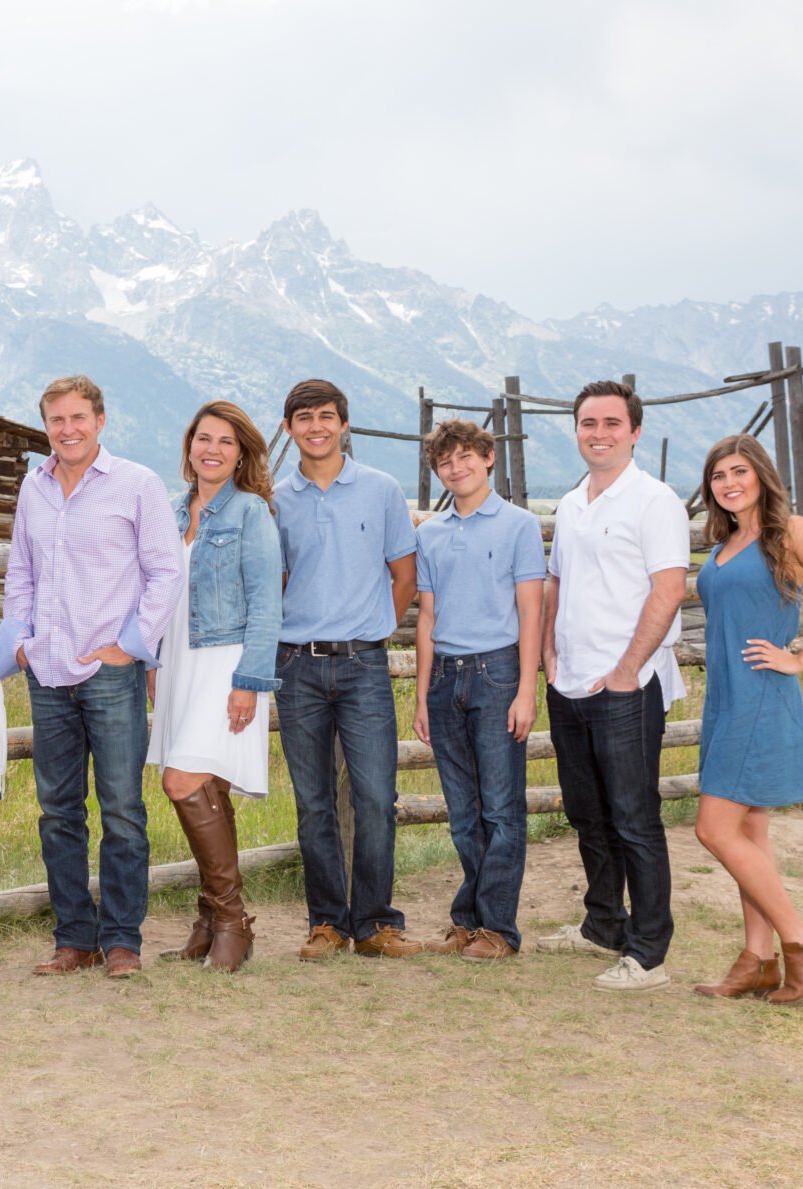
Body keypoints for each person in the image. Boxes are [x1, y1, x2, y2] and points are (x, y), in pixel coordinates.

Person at [0, 374, 181, 980]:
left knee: (123, 808)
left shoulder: (137, 484)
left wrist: (130, 647)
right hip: (47, 671)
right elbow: (20, 569)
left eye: (79, 417)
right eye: (57, 420)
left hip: (109, 671)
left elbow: (164, 571)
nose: (68, 429)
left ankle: (122, 938)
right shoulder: (34, 487)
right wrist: (19, 641)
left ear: (100, 420)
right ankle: (73, 937)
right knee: (58, 811)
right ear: (45, 425)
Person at [692, 433, 803, 1003]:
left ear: (761, 476)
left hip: (762, 695)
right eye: (719, 476)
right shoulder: (727, 541)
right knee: (749, 832)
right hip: (725, 699)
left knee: (713, 829)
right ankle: (757, 960)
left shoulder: (790, 533)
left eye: (739, 472)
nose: (729, 484)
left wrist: (801, 658)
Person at [537, 379, 690, 992]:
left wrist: (629, 669)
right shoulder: (574, 502)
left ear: (634, 431)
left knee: (633, 816)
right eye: (587, 424)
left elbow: (669, 589)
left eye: (609, 423)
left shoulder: (654, 501)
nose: (597, 434)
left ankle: (649, 952)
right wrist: (549, 650)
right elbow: (556, 582)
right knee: (587, 813)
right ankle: (603, 923)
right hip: (570, 680)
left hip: (626, 684)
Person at [272, 379, 421, 961]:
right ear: (289, 428)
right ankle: (327, 923)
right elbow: (276, 582)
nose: (316, 426)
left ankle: (377, 923)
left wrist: (375, 628)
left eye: (327, 416)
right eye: (304, 418)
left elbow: (403, 575)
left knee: (376, 796)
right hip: (297, 666)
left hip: (363, 664)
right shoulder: (276, 500)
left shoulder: (381, 490)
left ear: (344, 424)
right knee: (313, 803)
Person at [147, 401, 281, 973]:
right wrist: (152, 662)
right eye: (204, 438)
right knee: (207, 788)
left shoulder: (251, 512)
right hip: (178, 660)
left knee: (183, 779)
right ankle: (211, 919)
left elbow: (267, 604)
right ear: (189, 445)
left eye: (226, 442)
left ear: (242, 452)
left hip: (225, 660)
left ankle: (231, 920)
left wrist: (248, 681)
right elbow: (155, 592)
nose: (213, 450)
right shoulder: (173, 510)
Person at [410, 419, 546, 962]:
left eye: (465, 456)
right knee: (463, 811)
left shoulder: (518, 525)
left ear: (488, 457)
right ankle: (468, 921)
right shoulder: (430, 534)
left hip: (497, 673)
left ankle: (499, 929)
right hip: (444, 676)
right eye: (445, 462)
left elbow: (531, 612)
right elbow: (426, 618)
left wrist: (526, 691)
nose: (456, 468)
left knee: (501, 808)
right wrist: (420, 697)